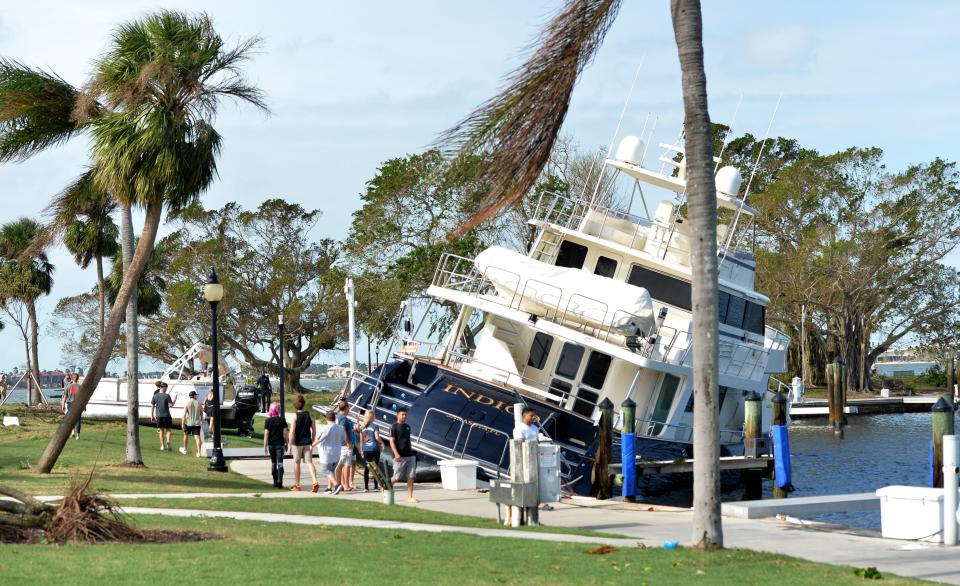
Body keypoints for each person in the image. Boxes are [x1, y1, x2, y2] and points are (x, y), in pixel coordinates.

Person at [287, 394, 319, 492]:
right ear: (304, 404)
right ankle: (314, 481)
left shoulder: (295, 416)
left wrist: (289, 445)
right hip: (307, 442)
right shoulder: (309, 415)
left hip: (297, 443)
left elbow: (292, 432)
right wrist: (313, 440)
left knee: (297, 462)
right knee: (309, 462)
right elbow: (314, 429)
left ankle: (297, 485)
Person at [313, 410, 348, 494]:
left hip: (327, 453)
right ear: (335, 418)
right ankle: (330, 488)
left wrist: (311, 446)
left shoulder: (325, 428)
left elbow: (318, 439)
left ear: (326, 418)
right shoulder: (340, 428)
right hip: (337, 452)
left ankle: (337, 485)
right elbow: (344, 440)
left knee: (325, 469)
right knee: (331, 470)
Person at [389, 407, 418, 503]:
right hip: (399, 457)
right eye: (402, 414)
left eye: (405, 414)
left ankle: (410, 497)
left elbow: (408, 440)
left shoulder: (408, 427)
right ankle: (385, 487)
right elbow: (392, 441)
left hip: (410, 455)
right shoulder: (394, 427)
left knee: (411, 476)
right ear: (397, 415)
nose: (404, 416)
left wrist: (411, 450)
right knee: (396, 477)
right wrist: (396, 454)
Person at [262, 402, 289, 488]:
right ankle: (280, 482)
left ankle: (275, 482)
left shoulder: (268, 421)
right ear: (278, 410)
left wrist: (265, 446)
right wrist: (287, 443)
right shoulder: (282, 420)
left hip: (271, 445)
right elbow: (285, 433)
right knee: (280, 463)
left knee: (273, 463)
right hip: (280, 444)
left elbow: (266, 434)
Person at [358, 410, 385, 491]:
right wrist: (382, 443)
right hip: (375, 449)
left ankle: (366, 487)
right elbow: (377, 437)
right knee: (375, 467)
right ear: (373, 417)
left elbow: (361, 441)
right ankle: (376, 486)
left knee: (367, 467)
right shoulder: (375, 426)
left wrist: (361, 450)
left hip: (366, 449)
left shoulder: (362, 427)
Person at [335, 401, 358, 491]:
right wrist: (348, 442)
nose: (349, 410)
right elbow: (343, 430)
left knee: (342, 465)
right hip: (345, 445)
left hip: (338, 444)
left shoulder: (337, 416)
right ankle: (346, 485)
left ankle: (343, 484)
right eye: (348, 408)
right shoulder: (343, 419)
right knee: (347, 465)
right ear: (345, 408)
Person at [151, 382, 176, 451]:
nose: (166, 389)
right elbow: (170, 405)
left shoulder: (155, 396)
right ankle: (168, 441)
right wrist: (175, 400)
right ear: (163, 387)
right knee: (169, 430)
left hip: (158, 416)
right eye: (166, 388)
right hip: (167, 415)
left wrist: (152, 415)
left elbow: (152, 406)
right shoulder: (167, 396)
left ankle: (162, 446)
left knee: (161, 431)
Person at [180, 390, 204, 457]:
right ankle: (199, 452)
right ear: (194, 396)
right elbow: (201, 414)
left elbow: (184, 414)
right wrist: (202, 421)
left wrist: (182, 423)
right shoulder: (199, 403)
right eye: (196, 395)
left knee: (185, 435)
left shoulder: (187, 403)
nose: (197, 396)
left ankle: (185, 449)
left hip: (188, 423)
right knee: (197, 437)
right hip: (197, 423)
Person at [61, 373, 82, 440]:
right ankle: (77, 436)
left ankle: (72, 432)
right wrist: (84, 406)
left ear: (72, 378)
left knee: (71, 419)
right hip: (78, 404)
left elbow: (65, 396)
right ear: (78, 378)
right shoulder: (80, 386)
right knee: (78, 420)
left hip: (70, 404)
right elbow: (82, 397)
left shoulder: (69, 386)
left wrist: (63, 405)